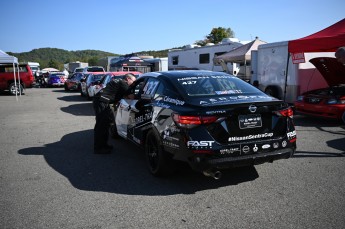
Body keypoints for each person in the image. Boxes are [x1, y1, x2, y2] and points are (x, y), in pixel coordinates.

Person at [92, 73, 136, 154]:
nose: (133, 84)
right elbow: (131, 97)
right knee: (101, 125)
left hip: (102, 101)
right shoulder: (123, 83)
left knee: (107, 124)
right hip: (101, 102)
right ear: (128, 79)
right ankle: (99, 148)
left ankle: (104, 145)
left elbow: (120, 96)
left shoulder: (119, 82)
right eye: (133, 81)